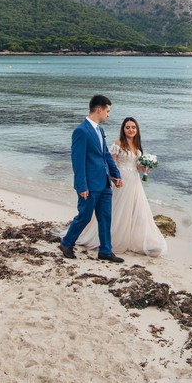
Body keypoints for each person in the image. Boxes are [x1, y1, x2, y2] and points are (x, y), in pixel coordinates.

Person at [77, 117, 168, 257]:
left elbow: (136, 165)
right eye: (128, 127)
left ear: (137, 129)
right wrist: (114, 178)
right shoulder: (118, 144)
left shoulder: (137, 145)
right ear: (123, 129)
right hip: (121, 181)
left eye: (133, 127)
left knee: (135, 211)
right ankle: (110, 240)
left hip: (134, 181)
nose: (131, 130)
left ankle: (132, 238)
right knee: (117, 210)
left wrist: (145, 168)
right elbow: (109, 163)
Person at [59, 95, 124, 263]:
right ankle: (66, 243)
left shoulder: (100, 130)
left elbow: (105, 156)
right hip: (89, 185)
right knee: (84, 217)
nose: (108, 115)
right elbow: (77, 161)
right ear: (99, 110)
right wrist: (81, 186)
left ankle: (105, 251)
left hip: (104, 184)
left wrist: (116, 175)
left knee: (105, 218)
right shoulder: (81, 131)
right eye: (108, 111)